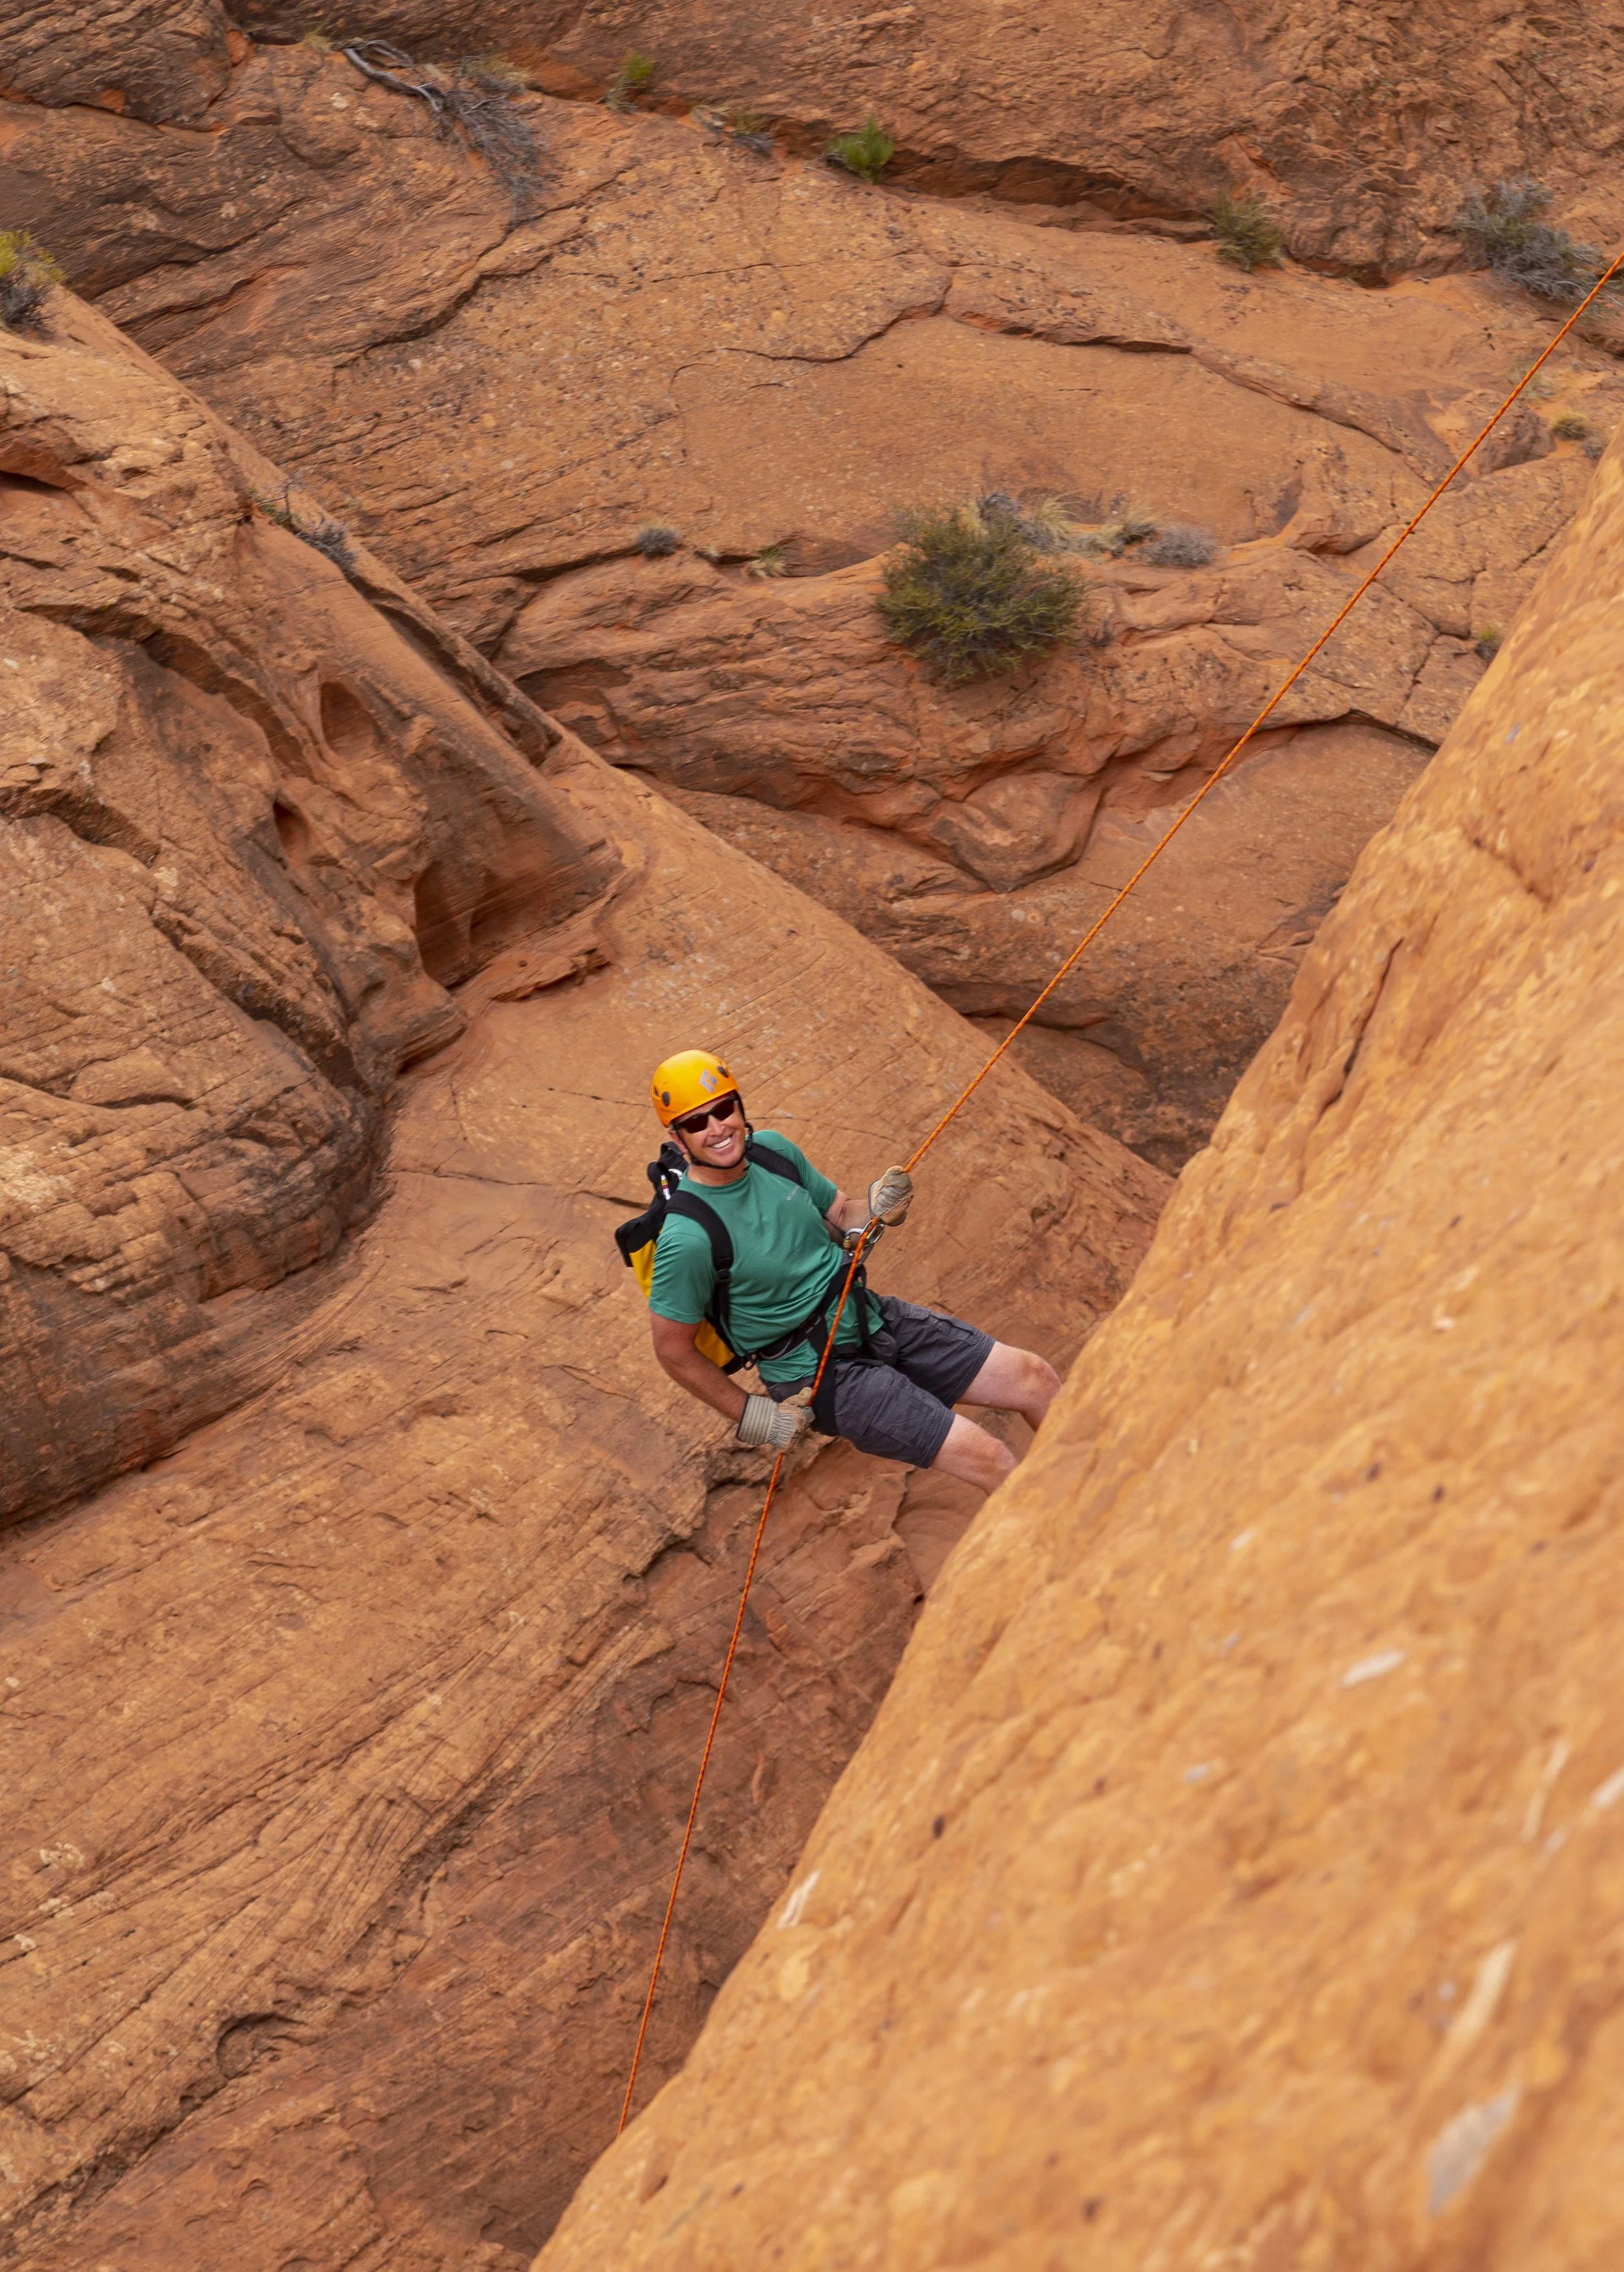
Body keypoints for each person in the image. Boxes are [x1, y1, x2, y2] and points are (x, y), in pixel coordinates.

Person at [644, 1050, 1059, 1492]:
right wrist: (754, 1415)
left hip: (870, 1317)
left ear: (739, 1106)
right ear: (677, 1135)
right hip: (820, 1375)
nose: (717, 1128)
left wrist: (878, 1205)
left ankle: (1098, 1485)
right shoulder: (687, 1237)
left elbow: (841, 1215)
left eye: (724, 1109)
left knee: (1034, 1378)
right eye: (697, 1122)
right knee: (989, 1456)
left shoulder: (773, 1153)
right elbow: (673, 1350)